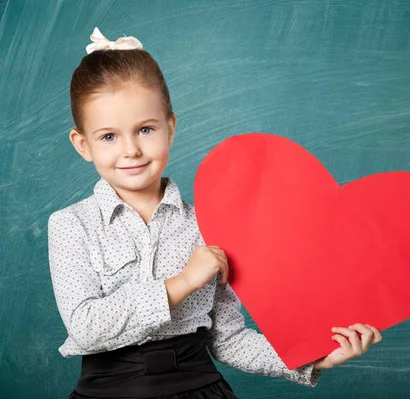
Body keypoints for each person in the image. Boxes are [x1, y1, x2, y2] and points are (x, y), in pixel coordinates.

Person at [48, 27, 382, 399]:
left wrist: (314, 358)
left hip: (200, 390)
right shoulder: (70, 225)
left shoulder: (208, 225)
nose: (131, 150)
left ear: (170, 128)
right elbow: (85, 327)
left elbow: (229, 340)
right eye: (108, 136)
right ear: (83, 144)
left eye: (145, 129)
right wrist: (185, 281)